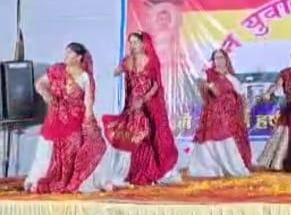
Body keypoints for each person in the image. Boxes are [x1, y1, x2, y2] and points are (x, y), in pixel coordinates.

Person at [24, 43, 109, 193]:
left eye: (69, 53)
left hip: (76, 118)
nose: (66, 56)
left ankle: (82, 181)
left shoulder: (85, 77)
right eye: (66, 53)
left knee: (94, 143)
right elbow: (40, 84)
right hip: (56, 115)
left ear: (79, 57)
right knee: (46, 144)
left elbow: (88, 103)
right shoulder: (58, 70)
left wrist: (89, 125)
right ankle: (35, 179)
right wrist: (46, 94)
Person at [102, 32, 179, 185]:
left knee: (148, 136)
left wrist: (144, 99)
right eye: (130, 42)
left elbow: (156, 85)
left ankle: (151, 170)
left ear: (143, 44)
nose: (132, 45)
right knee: (130, 135)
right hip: (132, 105)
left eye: (135, 42)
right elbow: (115, 73)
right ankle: (128, 171)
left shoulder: (150, 60)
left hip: (148, 105)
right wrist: (114, 70)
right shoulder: (128, 61)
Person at [189, 49, 251, 177]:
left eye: (221, 57)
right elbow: (199, 82)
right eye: (216, 58)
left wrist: (245, 115)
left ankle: (231, 166)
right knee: (210, 139)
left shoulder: (232, 79)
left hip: (229, 116)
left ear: (226, 59)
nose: (219, 61)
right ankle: (211, 167)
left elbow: (242, 98)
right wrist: (209, 86)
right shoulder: (208, 74)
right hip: (212, 114)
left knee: (228, 139)